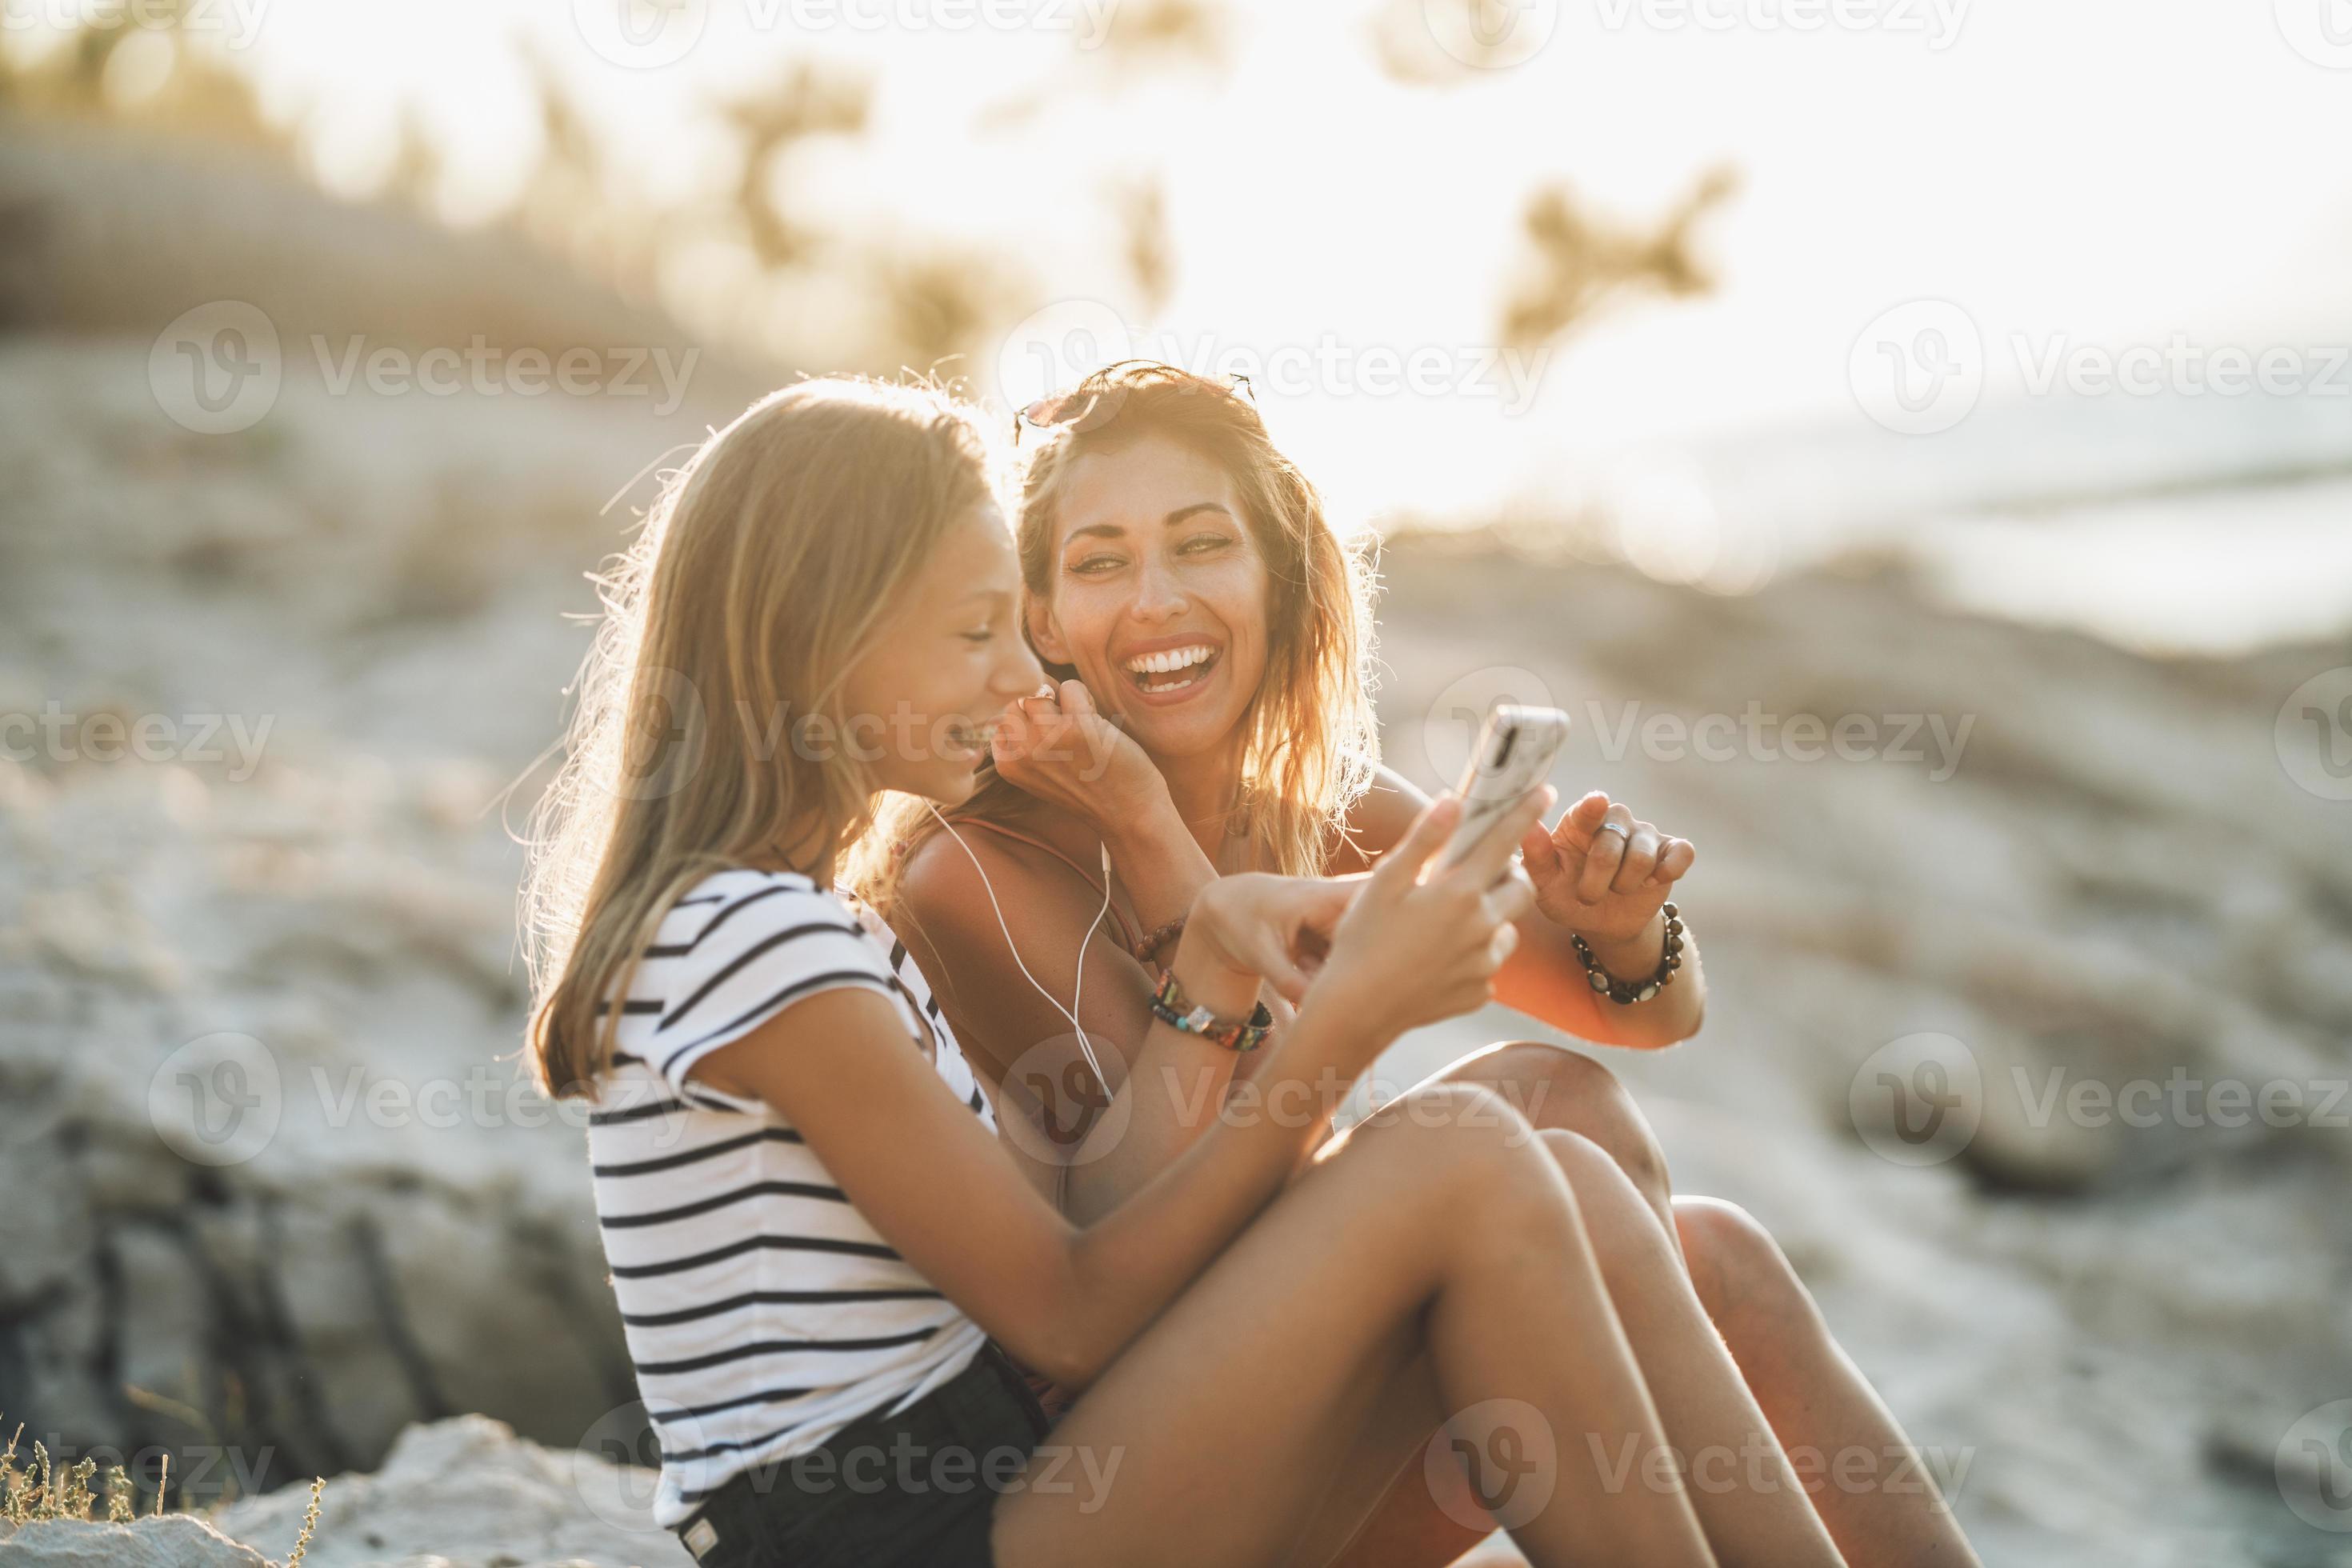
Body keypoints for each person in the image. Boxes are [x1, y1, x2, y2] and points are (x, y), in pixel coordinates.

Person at [521, 377, 1850, 1566]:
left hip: (979, 1492)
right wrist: (1346, 1019)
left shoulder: (811, 932)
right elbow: (1071, 1319)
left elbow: (1084, 1211)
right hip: (910, 1525)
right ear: (825, 643)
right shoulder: (767, 943)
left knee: (1560, 1162)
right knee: (1466, 1153)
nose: (1013, 673)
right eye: (978, 632)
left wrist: (1211, 955)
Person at [874, 361, 1978, 1566]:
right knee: (1534, 1143)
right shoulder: (973, 876)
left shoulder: (1314, 816)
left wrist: (1620, 927)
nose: (1156, 601)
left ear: (1278, 574)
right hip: (1138, 1468)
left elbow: (1656, 1018)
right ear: (1041, 618)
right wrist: (1143, 826)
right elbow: (1159, 1231)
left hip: (1299, 1408)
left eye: (1202, 547)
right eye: (1099, 562)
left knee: (1702, 1238)